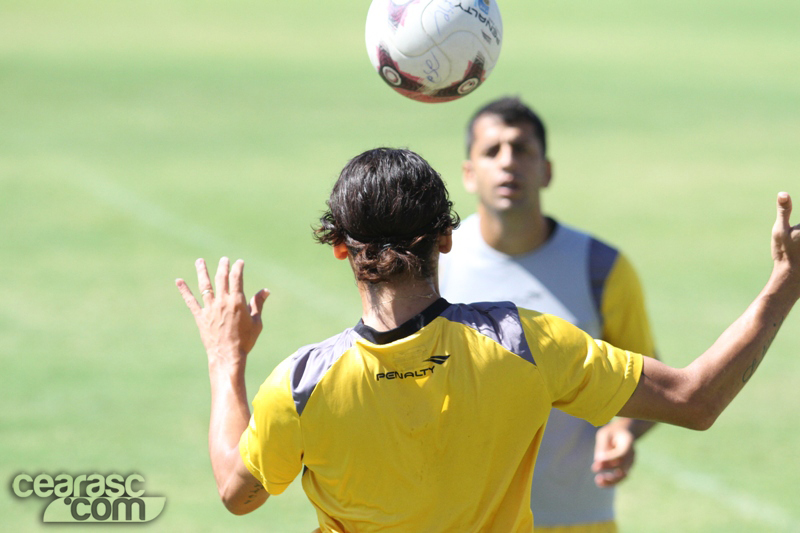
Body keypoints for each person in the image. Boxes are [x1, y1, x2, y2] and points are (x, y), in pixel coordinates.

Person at [176, 147, 799, 532]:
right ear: (446, 238)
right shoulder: (523, 343)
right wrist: (783, 286)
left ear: (341, 247)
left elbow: (237, 494)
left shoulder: (301, 387)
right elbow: (695, 399)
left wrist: (226, 360)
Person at [439, 97, 655, 532]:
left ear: (547, 170)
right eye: (492, 151)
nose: (508, 162)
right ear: (468, 173)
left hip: (576, 518)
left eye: (522, 149)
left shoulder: (601, 267)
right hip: (464, 520)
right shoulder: (435, 262)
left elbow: (649, 380)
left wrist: (625, 429)